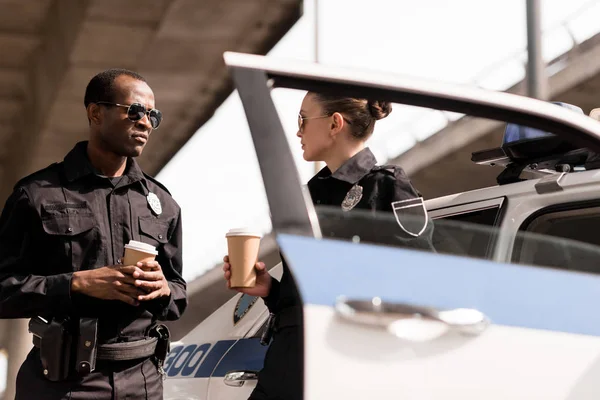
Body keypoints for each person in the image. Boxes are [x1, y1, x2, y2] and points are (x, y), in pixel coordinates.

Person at [222, 92, 426, 400]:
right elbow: (299, 299)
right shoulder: (305, 197)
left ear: (335, 124)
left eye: (303, 119)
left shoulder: (386, 186)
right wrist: (269, 289)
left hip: (344, 366)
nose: (298, 131)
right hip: (288, 362)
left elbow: (422, 285)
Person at [0, 68, 187, 399]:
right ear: (95, 113)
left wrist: (163, 289)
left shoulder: (164, 204)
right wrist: (75, 284)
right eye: (135, 111)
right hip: (61, 383)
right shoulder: (37, 194)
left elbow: (178, 296)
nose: (145, 122)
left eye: (152, 115)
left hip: (143, 382)